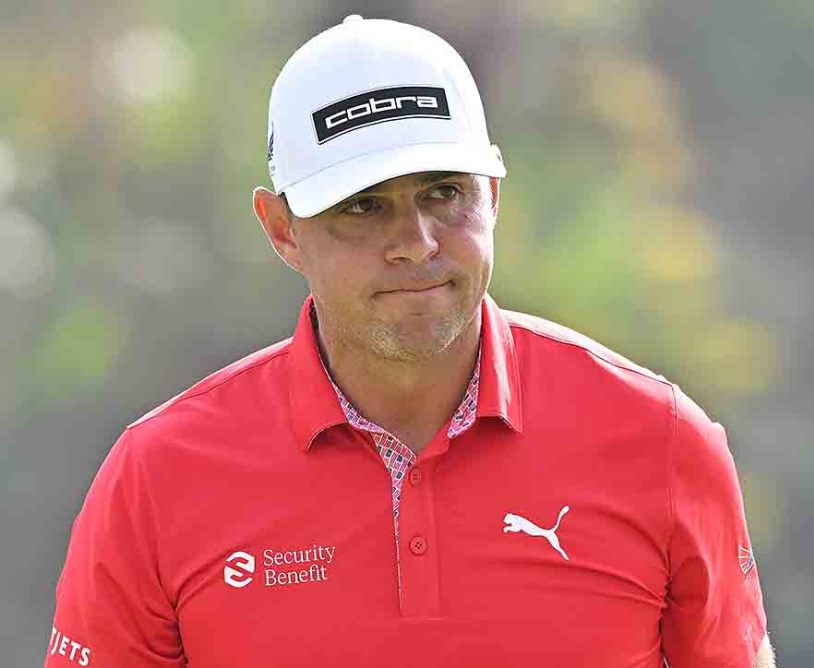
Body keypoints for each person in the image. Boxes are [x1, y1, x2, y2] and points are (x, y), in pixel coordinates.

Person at [44, 15, 773, 667]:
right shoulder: (158, 477)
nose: (415, 242)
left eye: (443, 193)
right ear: (282, 231)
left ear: (493, 197)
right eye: (364, 206)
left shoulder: (663, 441)